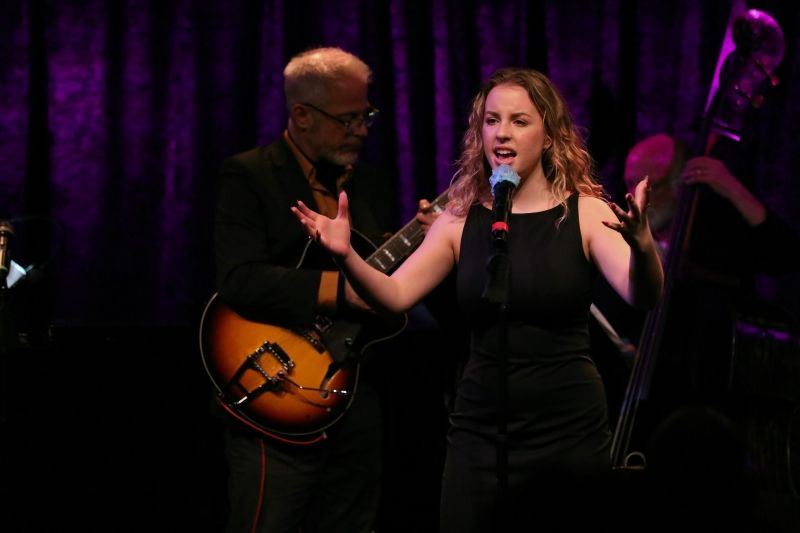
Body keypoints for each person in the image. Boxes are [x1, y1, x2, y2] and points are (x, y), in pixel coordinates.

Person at [292, 67, 665, 532]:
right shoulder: (457, 221)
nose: (502, 133)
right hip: (480, 429)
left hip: (568, 429)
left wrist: (643, 246)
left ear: (549, 136)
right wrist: (346, 255)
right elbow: (395, 294)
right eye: (492, 120)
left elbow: (642, 294)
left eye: (519, 121)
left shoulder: (585, 213)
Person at [212, 46, 422, 533]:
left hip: (356, 390)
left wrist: (427, 239)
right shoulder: (250, 175)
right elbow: (240, 279)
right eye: (348, 119)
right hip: (274, 384)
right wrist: (341, 290)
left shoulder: (371, 183)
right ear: (302, 115)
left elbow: (386, 280)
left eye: (367, 115)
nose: (362, 130)